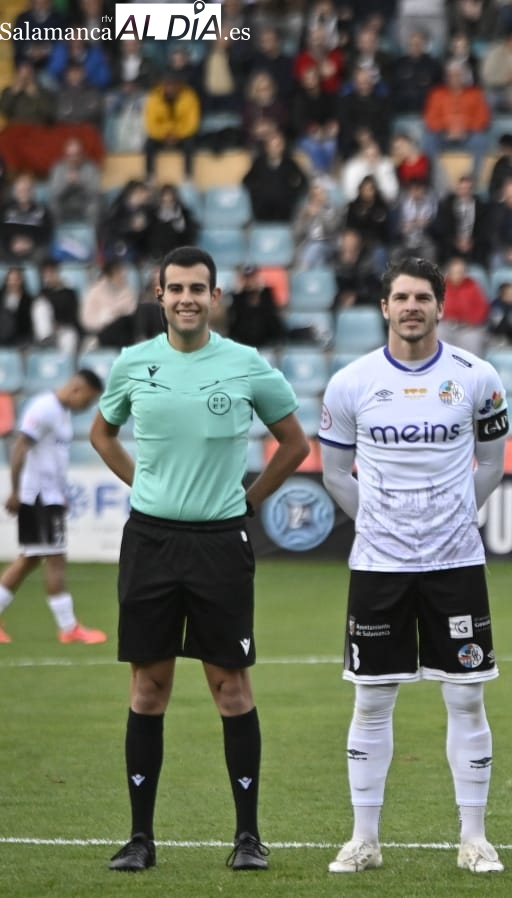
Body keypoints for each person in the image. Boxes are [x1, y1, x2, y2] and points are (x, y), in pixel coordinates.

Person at [89, 246, 309, 873]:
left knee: (230, 687)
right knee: (148, 686)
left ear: (216, 297)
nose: (187, 297)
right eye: (176, 287)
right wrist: (142, 486)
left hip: (219, 543)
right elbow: (101, 432)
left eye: (199, 288)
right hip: (151, 543)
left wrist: (249, 501)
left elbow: (295, 443)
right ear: (158, 295)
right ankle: (139, 838)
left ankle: (247, 837)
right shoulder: (133, 364)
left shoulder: (245, 365)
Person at [318, 256, 512, 876]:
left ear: (440, 305)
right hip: (377, 566)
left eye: (422, 298)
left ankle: (474, 838)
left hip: (455, 562)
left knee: (467, 699)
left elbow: (490, 466)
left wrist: (450, 517)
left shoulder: (478, 377)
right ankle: (364, 839)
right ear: (384, 306)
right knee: (371, 702)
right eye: (400, 297)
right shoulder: (350, 382)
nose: (411, 307)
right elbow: (332, 472)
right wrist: (378, 520)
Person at [0, 370, 106, 645]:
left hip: (50, 498)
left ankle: (68, 627)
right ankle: (68, 627)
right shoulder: (44, 407)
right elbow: (21, 445)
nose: (86, 406)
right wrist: (16, 491)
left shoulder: (60, 412)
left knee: (31, 559)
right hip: (38, 499)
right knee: (53, 559)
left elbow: (51, 457)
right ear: (76, 389)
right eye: (88, 399)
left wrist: (61, 493)